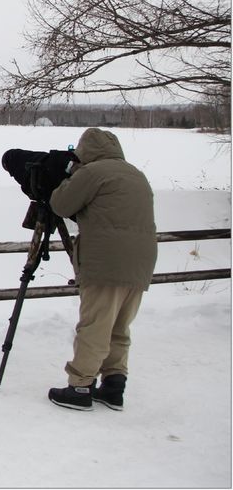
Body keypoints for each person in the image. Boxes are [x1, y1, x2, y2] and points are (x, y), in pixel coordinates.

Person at [47, 127, 157, 411]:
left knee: (95, 325)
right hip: (141, 262)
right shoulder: (135, 173)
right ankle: (114, 386)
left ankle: (80, 387)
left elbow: (60, 204)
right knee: (119, 326)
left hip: (106, 261)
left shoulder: (93, 173)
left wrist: (68, 178)